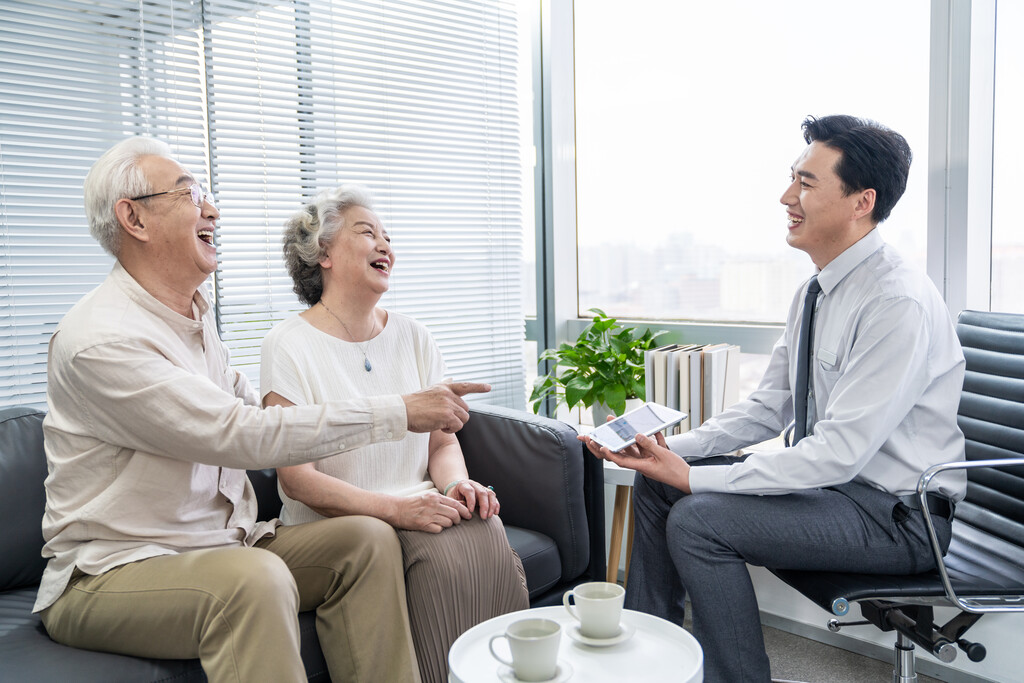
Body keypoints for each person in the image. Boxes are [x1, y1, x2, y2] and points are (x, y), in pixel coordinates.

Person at [35, 136, 491, 683]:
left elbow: (257, 411)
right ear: (133, 218)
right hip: (115, 571)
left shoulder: (193, 318)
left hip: (226, 541)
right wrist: (398, 411)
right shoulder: (101, 340)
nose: (212, 209)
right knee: (256, 580)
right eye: (188, 194)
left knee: (366, 540)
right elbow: (242, 434)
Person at [581, 115, 967, 682]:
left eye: (807, 184)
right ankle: (653, 661)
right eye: (793, 179)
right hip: (838, 493)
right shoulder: (816, 289)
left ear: (862, 201)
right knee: (659, 487)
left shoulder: (895, 301)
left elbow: (838, 452)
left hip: (898, 520)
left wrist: (691, 477)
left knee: (697, 520)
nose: (788, 196)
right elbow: (768, 408)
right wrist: (661, 452)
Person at [260, 185, 530, 683]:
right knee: (434, 554)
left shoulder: (413, 335)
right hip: (340, 525)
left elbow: (443, 440)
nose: (385, 245)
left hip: (420, 501)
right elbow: (297, 480)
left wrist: (454, 486)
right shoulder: (288, 344)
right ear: (323, 253)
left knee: (485, 525)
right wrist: (398, 511)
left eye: (388, 236)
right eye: (368, 233)